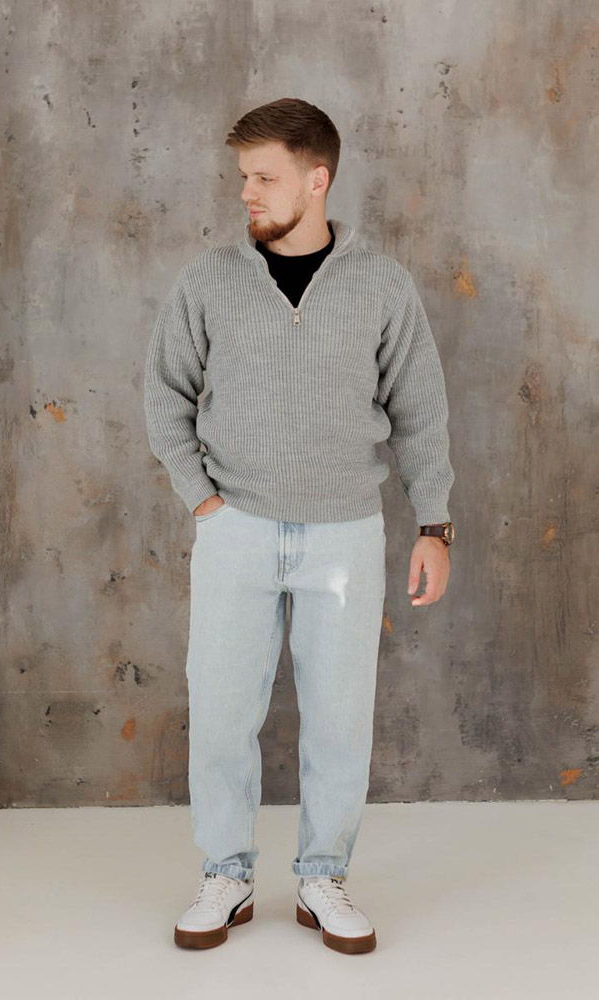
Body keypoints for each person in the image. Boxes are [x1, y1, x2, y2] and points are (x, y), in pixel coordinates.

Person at [143, 97, 455, 955]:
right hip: (234, 527)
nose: (245, 192)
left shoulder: (381, 284)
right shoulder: (208, 279)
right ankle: (226, 874)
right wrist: (201, 498)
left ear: (316, 180)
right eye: (242, 176)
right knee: (220, 714)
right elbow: (165, 392)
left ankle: (323, 876)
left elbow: (420, 411)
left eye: (263, 177)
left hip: (345, 535)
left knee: (339, 719)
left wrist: (435, 525)